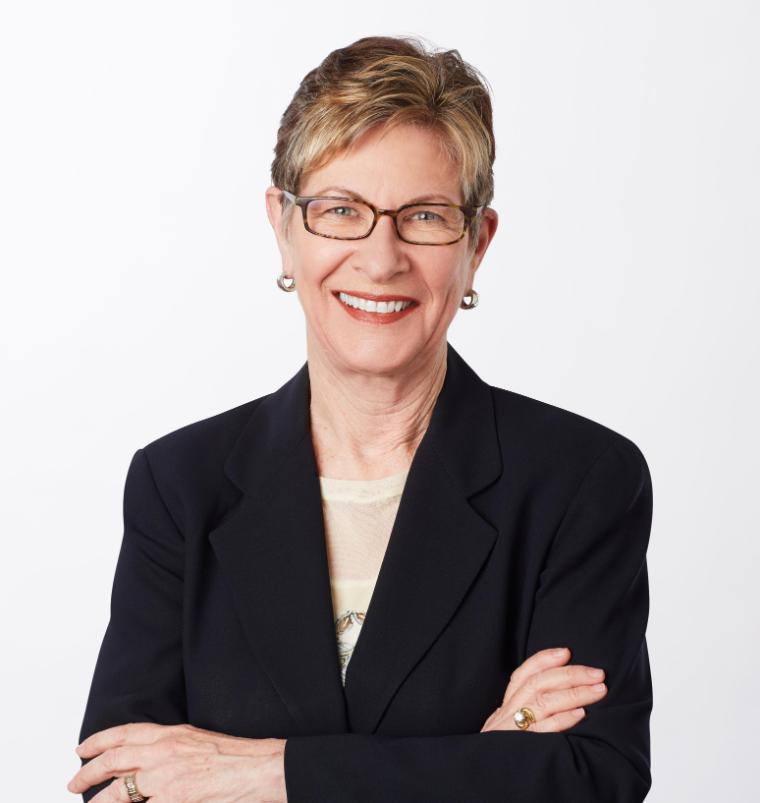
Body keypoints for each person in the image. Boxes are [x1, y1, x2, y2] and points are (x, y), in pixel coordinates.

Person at [69, 35, 653, 802]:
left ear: (477, 244)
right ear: (283, 227)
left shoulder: (579, 480)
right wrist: (475, 761)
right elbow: (117, 781)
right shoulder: (180, 483)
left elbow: (587, 778)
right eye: (341, 210)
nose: (381, 259)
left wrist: (260, 771)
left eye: (423, 216)